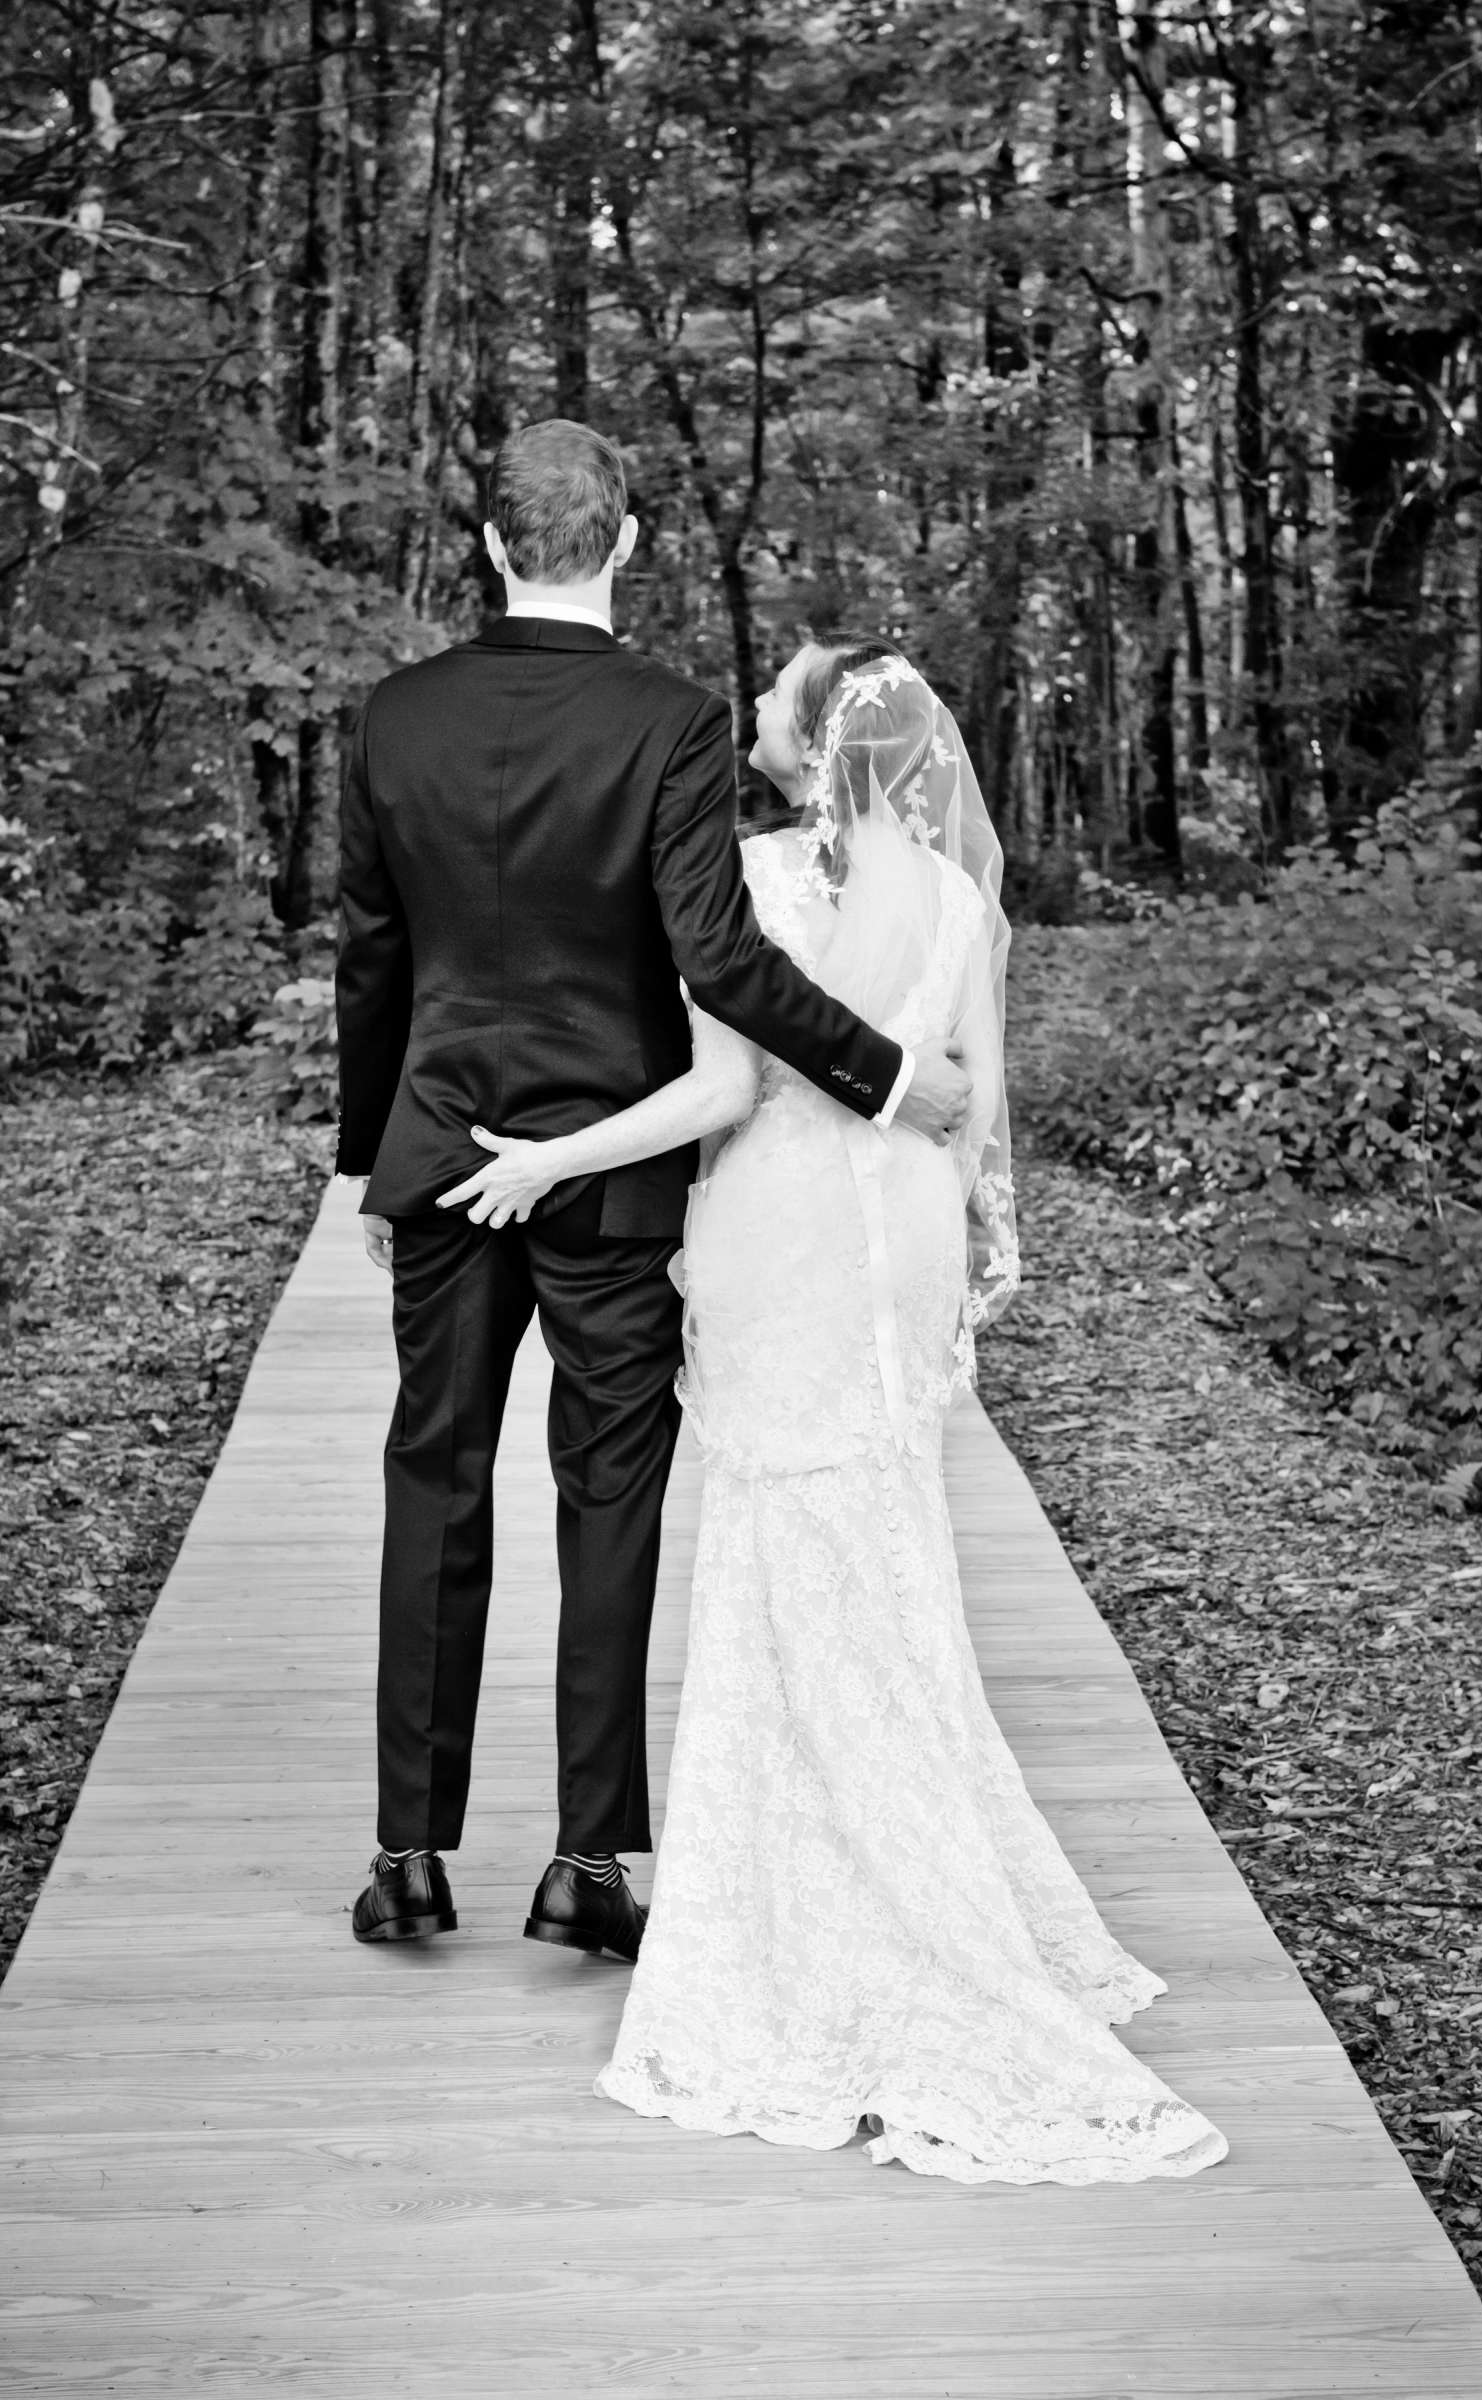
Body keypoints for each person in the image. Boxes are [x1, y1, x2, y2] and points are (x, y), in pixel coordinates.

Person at [444, 641, 1229, 2186]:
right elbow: (973, 1106)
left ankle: (814, 1911)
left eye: (773, 701)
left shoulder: (756, 879)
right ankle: (911, 1862)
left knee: (780, 1563)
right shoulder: (957, 896)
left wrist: (550, 1158)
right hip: (900, 1253)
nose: (749, 718)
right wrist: (933, 1233)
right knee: (883, 1549)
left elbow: (725, 1095)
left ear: (814, 746)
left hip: (784, 1241)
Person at [335, 422, 972, 1958]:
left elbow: (371, 953)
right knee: (605, 1496)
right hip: (615, 1171)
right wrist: (887, 1073)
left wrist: (373, 1159)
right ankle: (583, 1865)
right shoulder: (669, 721)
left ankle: (410, 1856)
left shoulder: (392, 717)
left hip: (443, 1157)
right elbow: (720, 960)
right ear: (623, 543)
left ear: (488, 544)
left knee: (435, 1483)